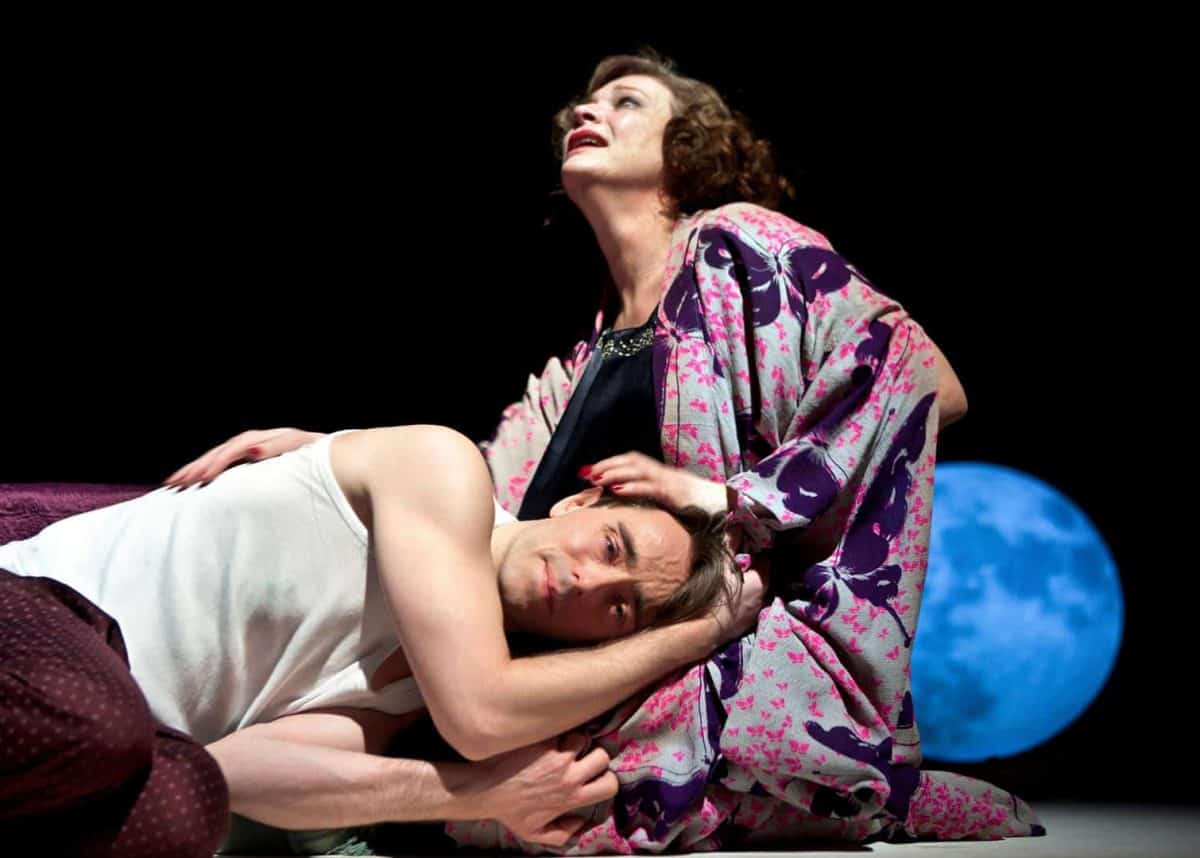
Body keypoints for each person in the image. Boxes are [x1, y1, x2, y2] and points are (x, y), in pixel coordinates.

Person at [161, 51, 1044, 849]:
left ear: (687, 147)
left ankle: (854, 787)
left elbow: (922, 377)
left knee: (551, 779)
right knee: (454, 717)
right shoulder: (585, 357)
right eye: (587, 102)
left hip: (733, 624)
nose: (591, 111)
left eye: (628, 103)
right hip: (592, 633)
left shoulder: (742, 246)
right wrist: (333, 452)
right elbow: (482, 493)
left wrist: (735, 498)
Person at [0, 425, 764, 856]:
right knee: (105, 727)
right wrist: (689, 637)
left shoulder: (408, 694)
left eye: (621, 610)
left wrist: (481, 793)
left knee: (183, 812)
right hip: (37, 613)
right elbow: (482, 715)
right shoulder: (444, 465)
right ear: (579, 502)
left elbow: (236, 771)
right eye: (610, 546)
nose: (588, 582)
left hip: (98, 740)